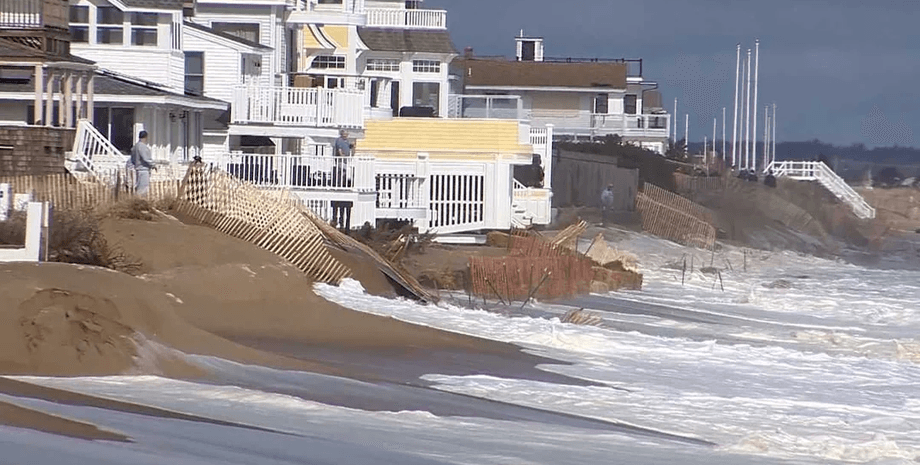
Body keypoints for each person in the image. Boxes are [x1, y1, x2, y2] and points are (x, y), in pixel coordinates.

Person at [130, 130, 155, 196]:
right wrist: (153, 164)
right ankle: (139, 202)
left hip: (137, 168)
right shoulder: (142, 147)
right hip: (143, 169)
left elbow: (132, 159)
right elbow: (146, 158)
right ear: (146, 137)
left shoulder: (135, 147)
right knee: (143, 189)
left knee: (139, 187)